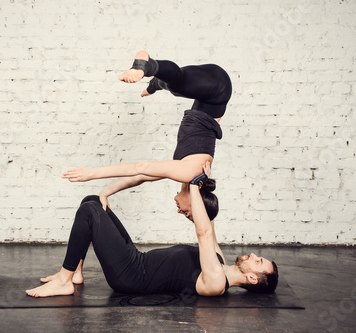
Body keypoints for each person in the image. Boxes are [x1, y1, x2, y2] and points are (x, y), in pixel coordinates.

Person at [26, 163, 278, 298]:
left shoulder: (216, 282)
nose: (255, 256)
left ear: (252, 279)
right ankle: (76, 273)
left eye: (259, 262)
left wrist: (193, 183)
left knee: (89, 213)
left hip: (131, 277)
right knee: (92, 200)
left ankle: (63, 280)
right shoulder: (219, 260)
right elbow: (208, 222)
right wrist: (199, 177)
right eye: (260, 256)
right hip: (136, 258)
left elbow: (202, 233)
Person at [62, 51, 232, 221]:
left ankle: (154, 84)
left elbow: (140, 177)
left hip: (212, 94)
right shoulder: (188, 173)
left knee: (176, 85)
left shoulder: (190, 177)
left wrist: (106, 192)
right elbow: (141, 167)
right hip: (218, 89)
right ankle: (145, 64)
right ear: (196, 204)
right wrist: (92, 174)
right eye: (188, 213)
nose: (180, 212)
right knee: (177, 86)